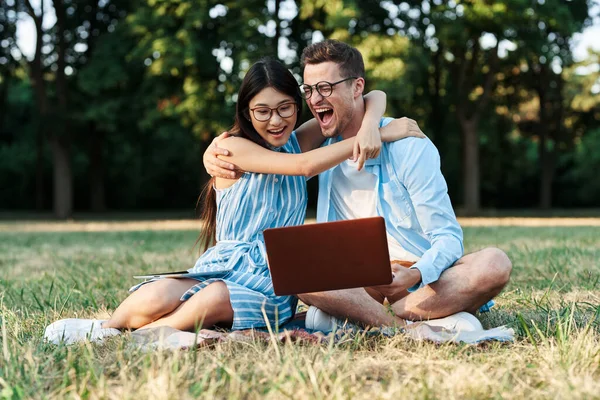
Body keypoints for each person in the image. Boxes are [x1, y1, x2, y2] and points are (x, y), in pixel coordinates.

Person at [43, 58, 423, 344]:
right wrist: (377, 139)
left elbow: (373, 94)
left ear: (297, 105)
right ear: (246, 111)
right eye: (262, 111)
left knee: (214, 298)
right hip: (222, 264)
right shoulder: (231, 147)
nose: (276, 121)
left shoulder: (296, 138)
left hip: (276, 275)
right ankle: (108, 328)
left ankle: (143, 336)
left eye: (286, 108)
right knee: (159, 292)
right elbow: (304, 167)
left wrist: (373, 125)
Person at [204, 40, 513, 331]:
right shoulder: (320, 147)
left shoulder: (407, 145)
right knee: (292, 268)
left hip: (418, 282)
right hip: (352, 284)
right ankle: (406, 326)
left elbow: (447, 237)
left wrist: (416, 273)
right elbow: (286, 161)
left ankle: (376, 318)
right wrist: (213, 151)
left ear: (357, 87)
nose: (313, 99)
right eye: (309, 90)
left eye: (324, 88)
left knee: (494, 263)